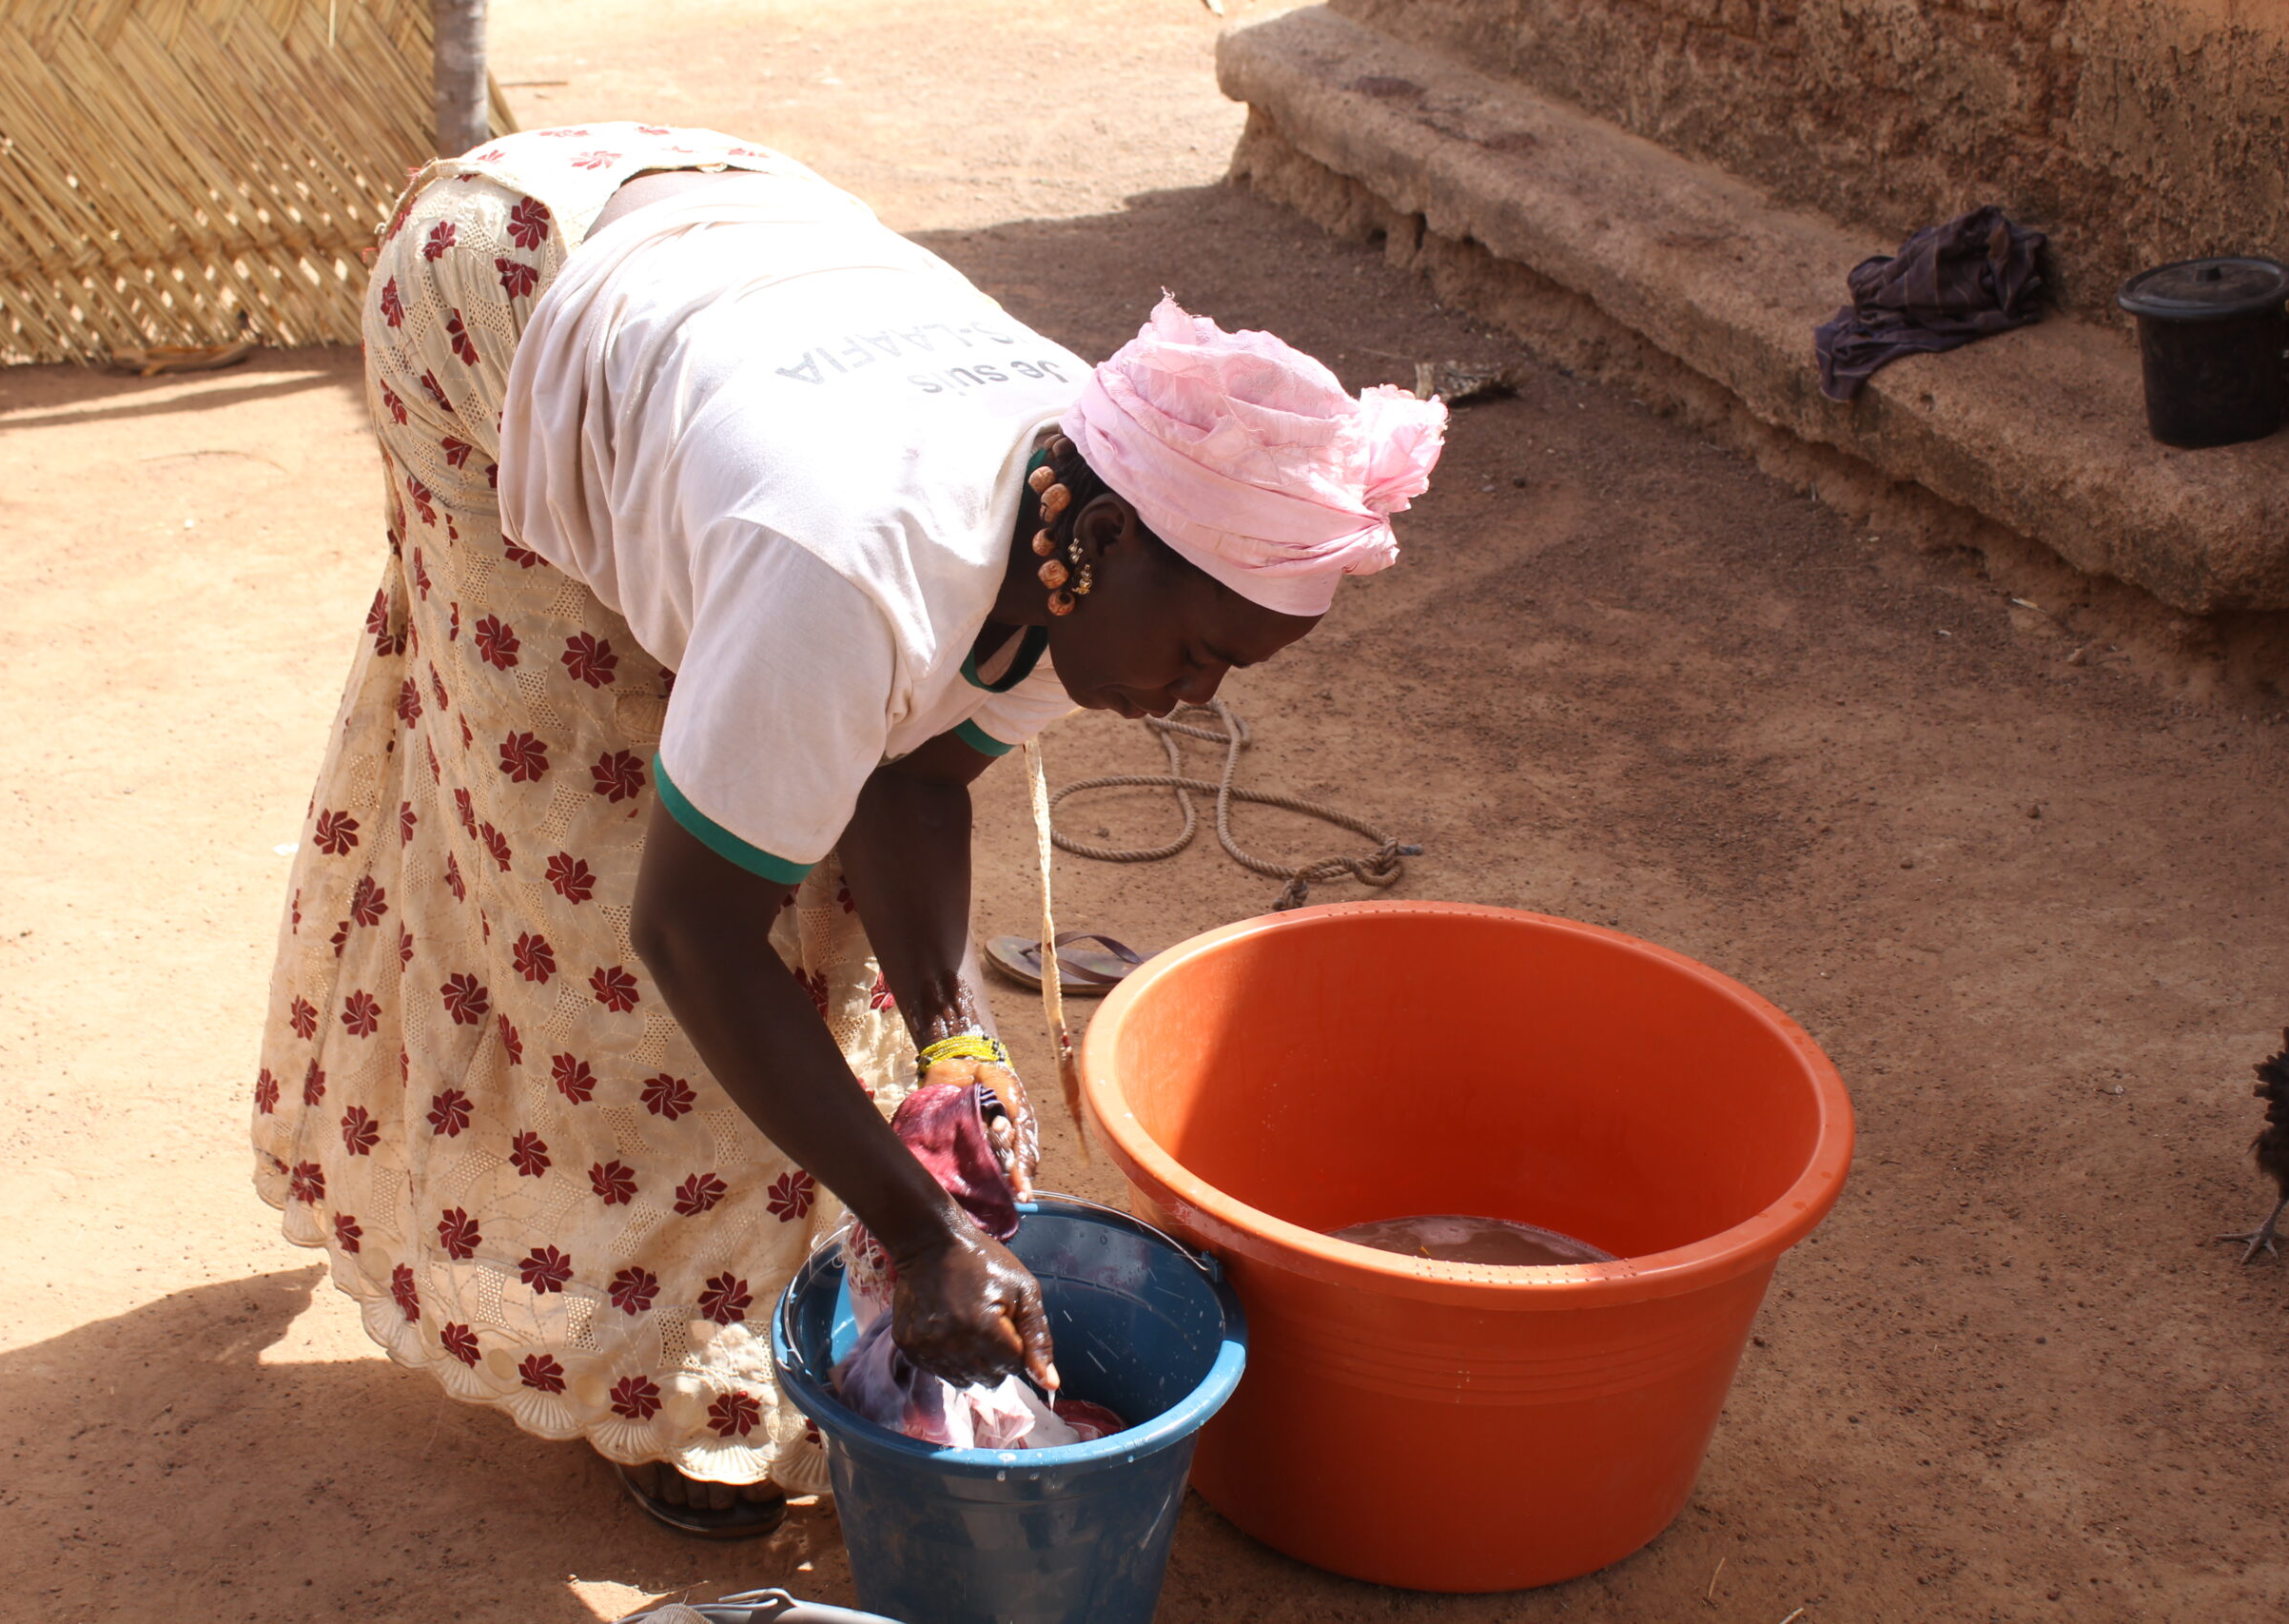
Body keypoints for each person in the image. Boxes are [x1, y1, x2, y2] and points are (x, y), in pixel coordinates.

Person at [251, 122, 1445, 1537]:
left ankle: (773, 1290)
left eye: (1230, 670)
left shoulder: (1093, 514)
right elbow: (687, 932)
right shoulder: (852, 567)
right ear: (1105, 545)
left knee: (793, 825)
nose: (1193, 698)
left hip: (740, 252)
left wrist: (955, 1033)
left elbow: (914, 780)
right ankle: (648, 1378)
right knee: (600, 882)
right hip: (497, 290)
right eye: (1201, 653)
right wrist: (921, 1226)